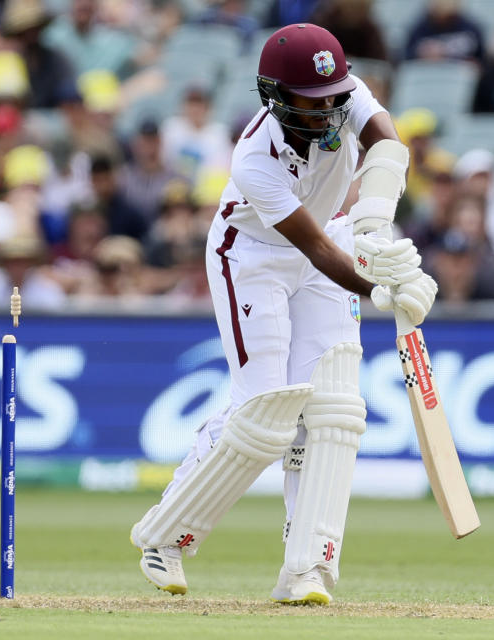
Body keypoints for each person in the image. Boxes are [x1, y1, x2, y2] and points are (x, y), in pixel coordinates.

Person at [129, 24, 437, 604]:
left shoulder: (346, 94)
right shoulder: (254, 159)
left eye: (333, 97)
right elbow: (318, 254)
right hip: (254, 257)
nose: (327, 111)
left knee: (337, 408)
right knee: (267, 414)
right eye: (309, 101)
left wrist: (374, 230)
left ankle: (307, 569)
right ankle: (166, 535)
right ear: (275, 97)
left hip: (329, 236)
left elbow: (390, 148)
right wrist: (384, 288)